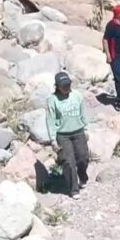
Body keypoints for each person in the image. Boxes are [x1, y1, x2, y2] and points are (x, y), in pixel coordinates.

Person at [46, 72, 89, 200]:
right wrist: (53, 140)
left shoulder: (77, 96)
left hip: (78, 131)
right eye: (63, 86)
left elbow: (83, 113)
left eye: (68, 85)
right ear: (57, 86)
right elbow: (50, 121)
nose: (66, 88)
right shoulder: (52, 100)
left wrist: (86, 129)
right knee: (69, 162)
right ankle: (73, 189)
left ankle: (82, 176)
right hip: (63, 135)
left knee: (83, 157)